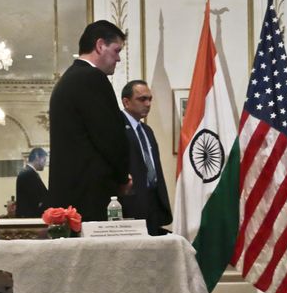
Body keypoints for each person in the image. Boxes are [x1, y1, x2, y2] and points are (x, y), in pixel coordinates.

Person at [47, 20, 131, 222]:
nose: (118, 58)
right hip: (92, 196)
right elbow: (110, 136)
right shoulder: (92, 78)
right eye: (116, 50)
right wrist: (122, 177)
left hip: (72, 196)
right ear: (100, 45)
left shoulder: (70, 79)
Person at [121, 80, 172, 235]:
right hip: (131, 203)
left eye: (150, 99)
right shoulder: (117, 126)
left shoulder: (146, 130)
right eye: (142, 99)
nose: (148, 104)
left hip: (153, 202)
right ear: (126, 102)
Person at [15, 147, 48, 217]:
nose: (45, 163)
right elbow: (35, 199)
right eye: (44, 160)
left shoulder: (29, 173)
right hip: (30, 217)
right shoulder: (28, 174)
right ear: (37, 157)